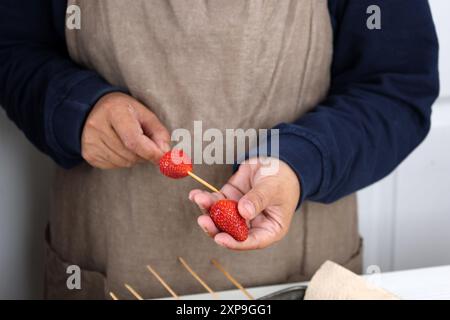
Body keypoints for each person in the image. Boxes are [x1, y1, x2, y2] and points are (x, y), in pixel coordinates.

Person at [0, 0, 439, 299]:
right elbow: (12, 46)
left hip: (294, 267)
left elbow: (397, 86)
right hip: (107, 259)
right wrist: (75, 107)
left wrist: (301, 161)